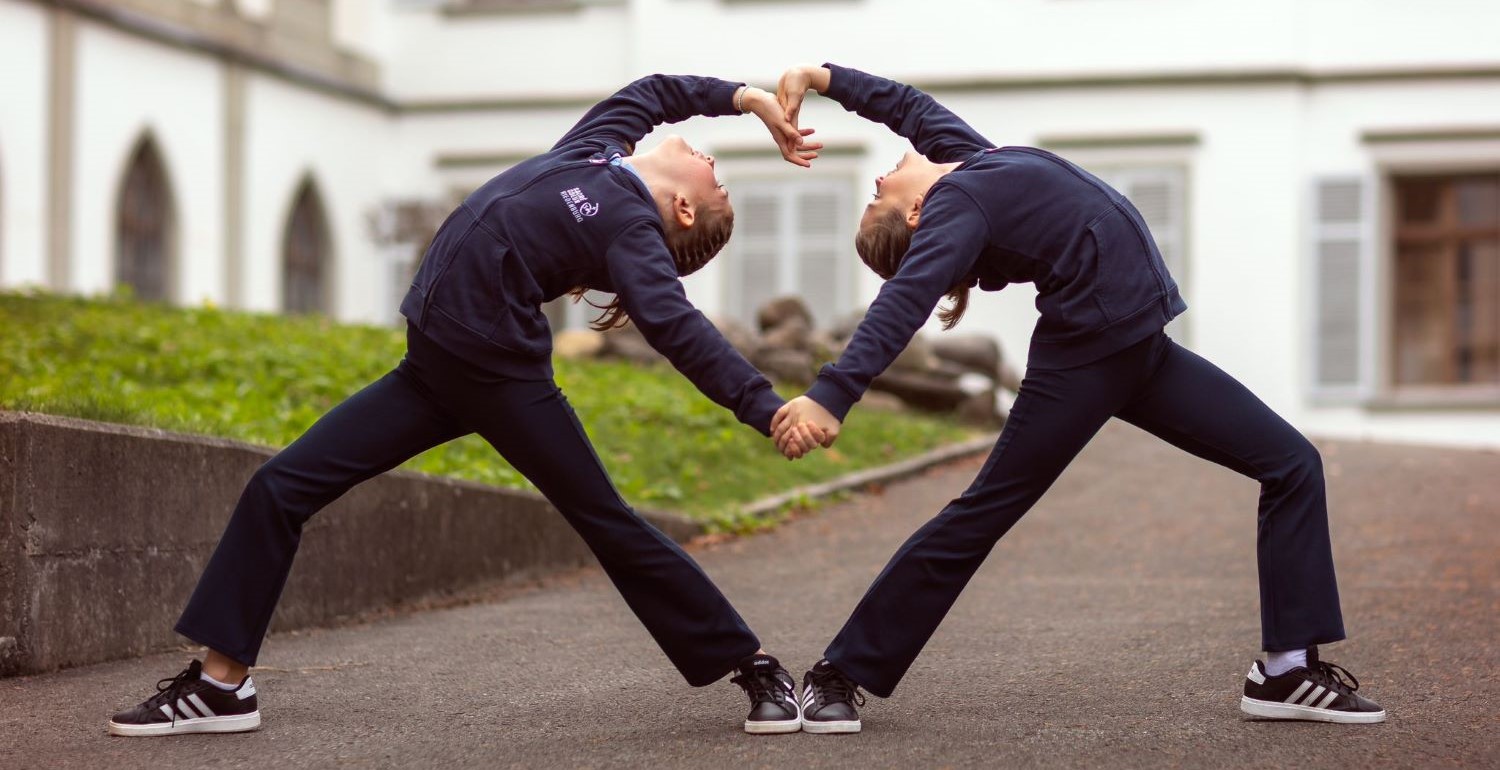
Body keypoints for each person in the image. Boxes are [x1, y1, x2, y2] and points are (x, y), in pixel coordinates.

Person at [107, 73, 829, 737]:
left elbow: (678, 329)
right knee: (280, 487)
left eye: (718, 184)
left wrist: (764, 407)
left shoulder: (630, 229)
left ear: (681, 207)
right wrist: (748, 99)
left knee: (607, 520)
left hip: (498, 378)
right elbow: (655, 91)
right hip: (432, 369)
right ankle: (221, 685)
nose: (713, 164)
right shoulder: (597, 151)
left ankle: (755, 666)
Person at [769, 63, 1386, 732]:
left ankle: (1286, 672)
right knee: (983, 510)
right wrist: (832, 395)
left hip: (1139, 348)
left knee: (1292, 464)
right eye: (876, 195)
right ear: (918, 214)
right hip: (1088, 357)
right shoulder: (957, 205)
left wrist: (825, 79)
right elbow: (902, 302)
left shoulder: (966, 165)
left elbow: (908, 106)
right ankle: (839, 674)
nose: (883, 175)